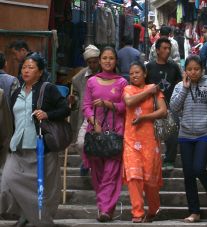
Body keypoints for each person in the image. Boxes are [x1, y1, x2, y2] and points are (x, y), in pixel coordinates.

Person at [0, 53, 70, 227]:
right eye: (24, 67)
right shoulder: (16, 92)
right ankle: (32, 216)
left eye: (31, 67)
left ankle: (33, 218)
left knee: (41, 189)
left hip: (40, 148)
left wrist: (47, 114)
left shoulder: (48, 89)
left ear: (40, 72)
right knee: (7, 181)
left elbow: (65, 109)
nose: (26, 70)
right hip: (17, 147)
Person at [170, 55, 207, 223]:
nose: (193, 72)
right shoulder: (180, 86)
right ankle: (194, 211)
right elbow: (173, 107)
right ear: (185, 71)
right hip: (185, 135)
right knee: (188, 174)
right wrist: (185, 88)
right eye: (189, 69)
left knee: (198, 168)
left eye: (196, 69)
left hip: (205, 134)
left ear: (202, 69)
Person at [83, 46, 128, 222]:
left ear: (116, 61)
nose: (108, 61)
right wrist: (94, 124)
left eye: (111, 58)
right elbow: (86, 106)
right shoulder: (92, 81)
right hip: (95, 132)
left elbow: (125, 106)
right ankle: (105, 206)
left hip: (116, 132)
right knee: (97, 174)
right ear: (100, 61)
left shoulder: (122, 82)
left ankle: (105, 210)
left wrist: (109, 104)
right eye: (104, 58)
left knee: (112, 172)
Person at [123, 61, 167, 223]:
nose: (134, 75)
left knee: (150, 180)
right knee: (134, 176)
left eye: (137, 72)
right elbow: (129, 102)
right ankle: (137, 212)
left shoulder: (155, 90)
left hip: (150, 140)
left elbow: (163, 111)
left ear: (145, 73)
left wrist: (144, 117)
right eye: (131, 73)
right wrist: (149, 91)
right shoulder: (128, 89)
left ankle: (154, 208)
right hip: (131, 139)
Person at [146, 37, 182, 170]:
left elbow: (180, 84)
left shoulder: (174, 66)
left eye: (169, 48)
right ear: (157, 50)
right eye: (164, 48)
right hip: (151, 106)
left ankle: (169, 160)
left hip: (171, 105)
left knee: (172, 133)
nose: (167, 51)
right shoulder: (149, 67)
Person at [69, 44, 100, 176]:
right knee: (81, 143)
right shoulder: (79, 77)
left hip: (104, 113)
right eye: (89, 62)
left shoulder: (107, 72)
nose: (92, 65)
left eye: (95, 61)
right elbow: (76, 95)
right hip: (87, 114)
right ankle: (87, 161)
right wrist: (73, 99)